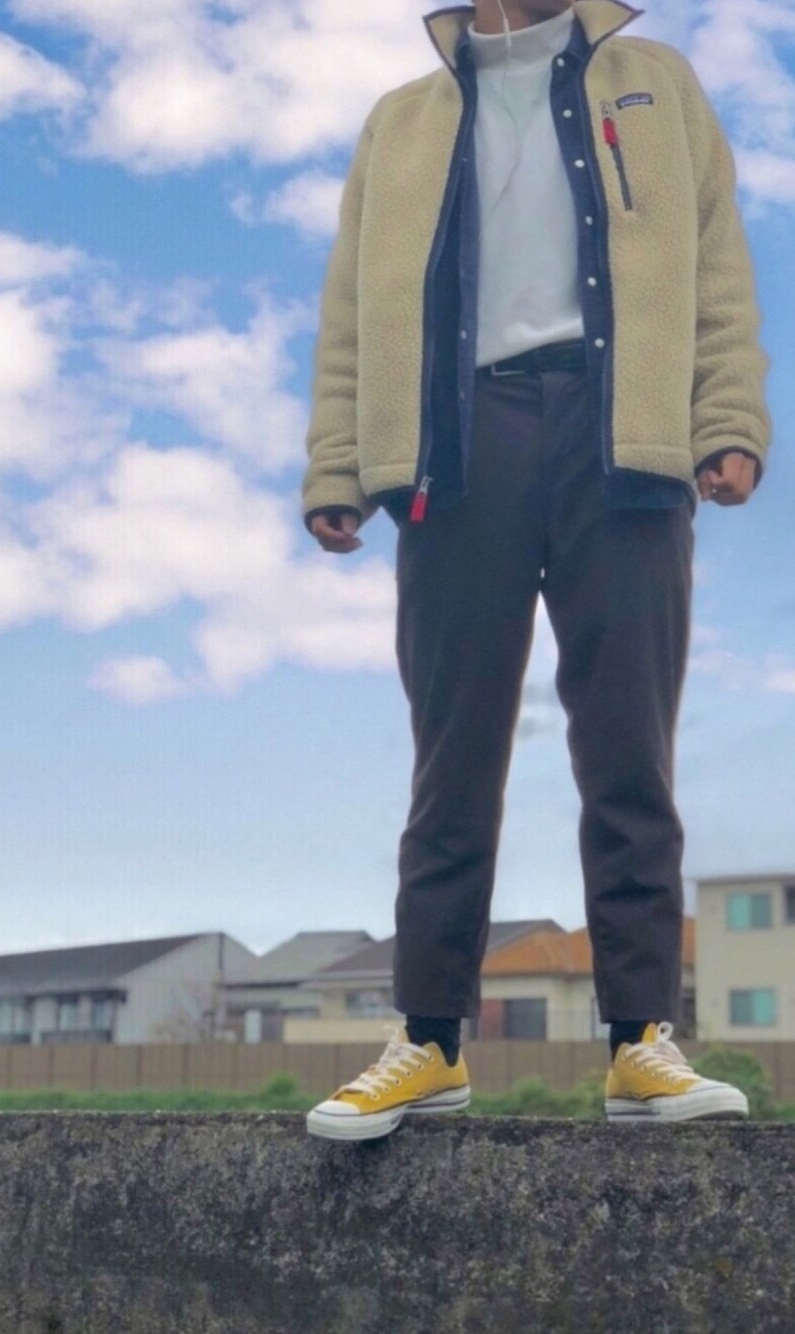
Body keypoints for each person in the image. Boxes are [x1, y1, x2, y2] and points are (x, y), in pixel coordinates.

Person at [301, 0, 771, 1141]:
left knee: (628, 746)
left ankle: (640, 1041)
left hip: (623, 433)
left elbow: (715, 262)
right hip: (459, 443)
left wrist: (726, 417)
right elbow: (352, 310)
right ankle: (429, 1038)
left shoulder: (655, 83)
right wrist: (336, 462)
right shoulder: (400, 122)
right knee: (452, 752)